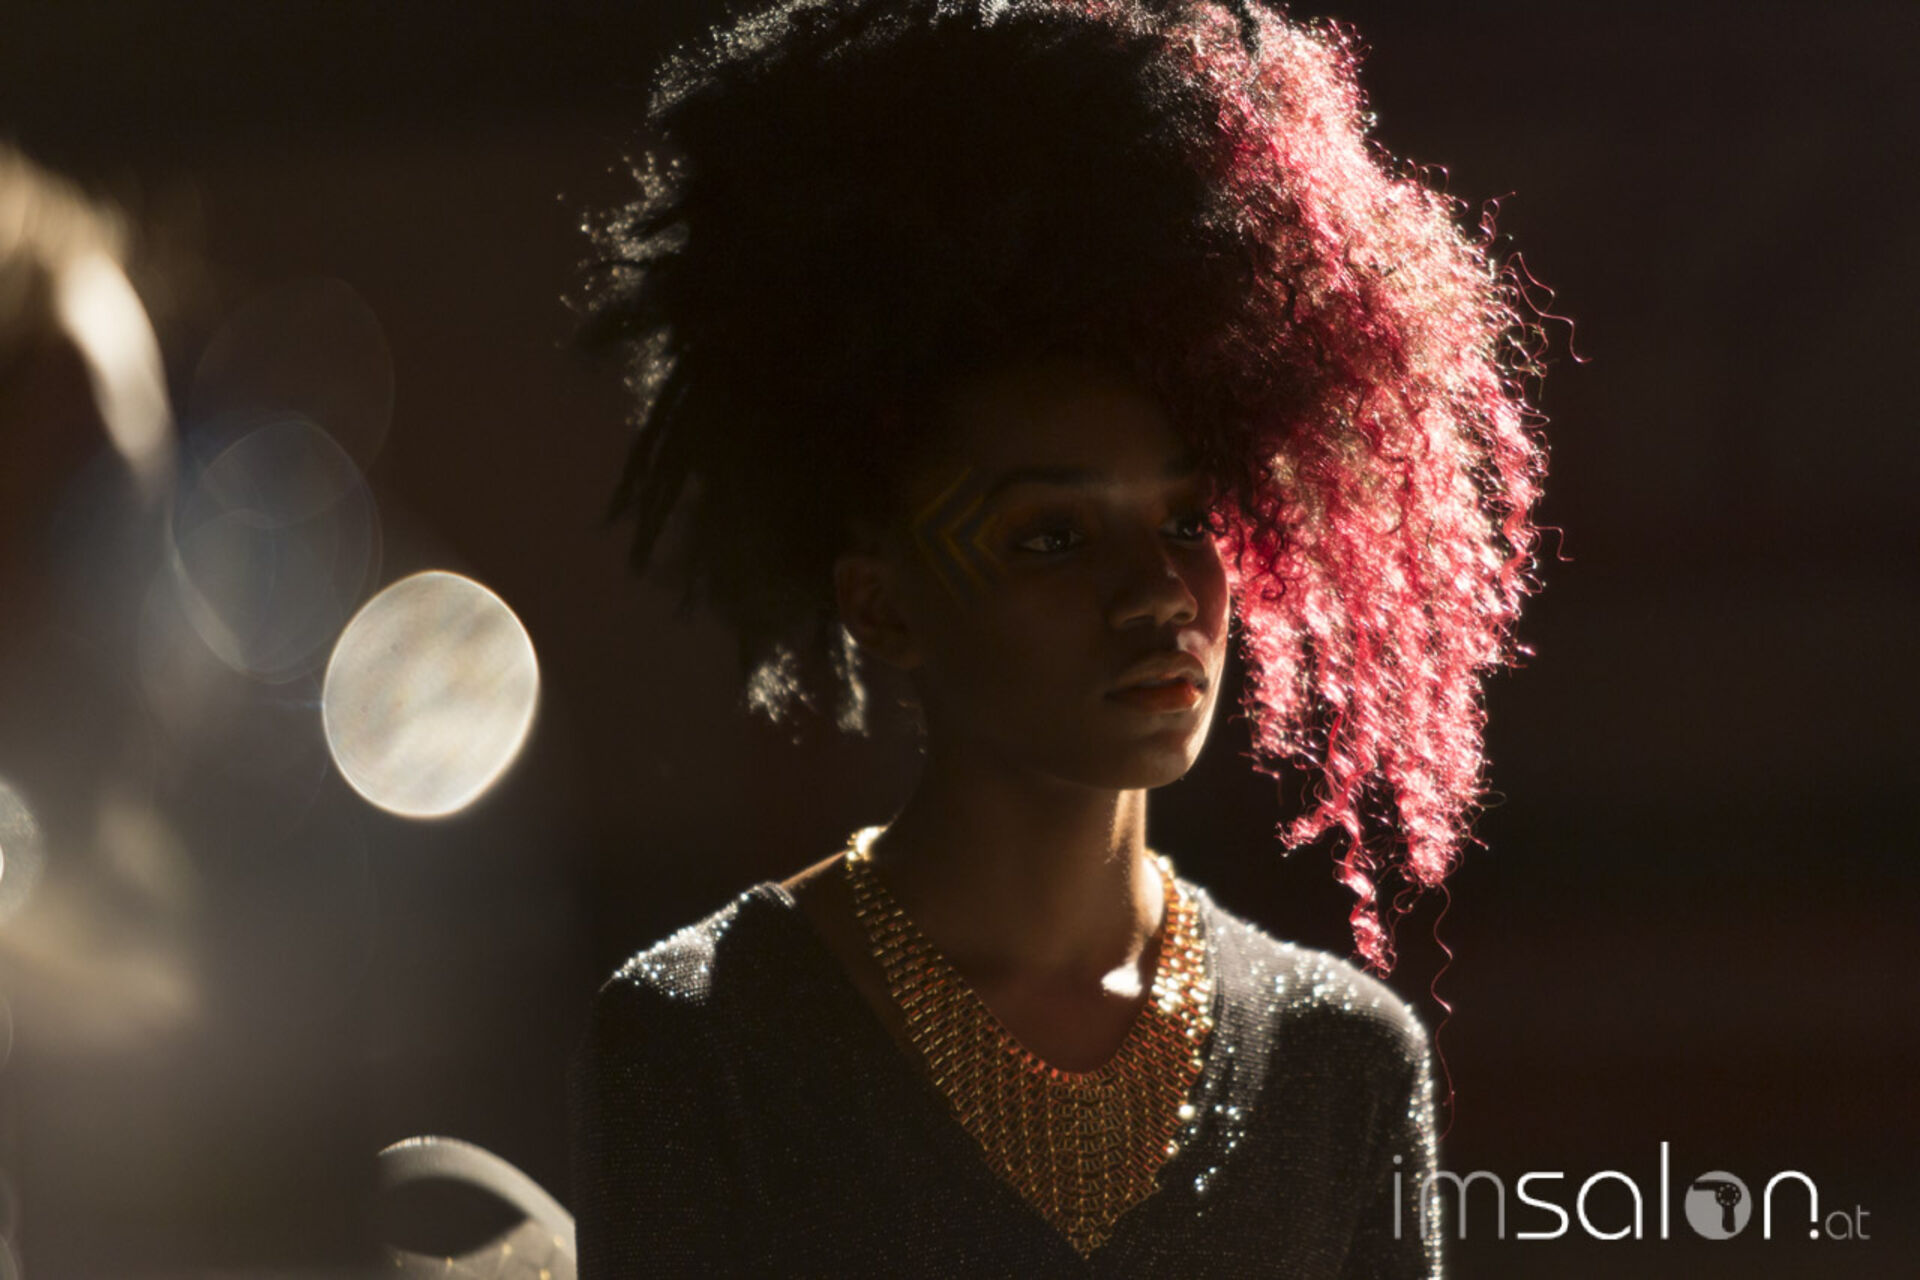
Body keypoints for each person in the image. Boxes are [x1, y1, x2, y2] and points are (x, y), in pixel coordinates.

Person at [568, 0, 1544, 1274]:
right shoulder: (708, 1036)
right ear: (883, 604)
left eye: (1187, 519)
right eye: (1050, 536)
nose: (1158, 593)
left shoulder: (1341, 1062)